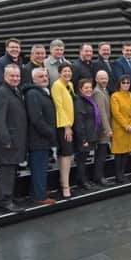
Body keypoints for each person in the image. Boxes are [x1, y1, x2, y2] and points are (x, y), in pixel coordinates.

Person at [0, 64, 27, 213]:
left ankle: (9, 196)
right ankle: (5, 200)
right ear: (5, 76)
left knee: (12, 169)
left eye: (17, 76)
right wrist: (5, 140)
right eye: (12, 76)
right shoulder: (1, 92)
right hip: (8, 141)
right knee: (6, 170)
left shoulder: (16, 90)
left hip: (17, 139)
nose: (15, 78)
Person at [23, 67, 57, 205]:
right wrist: (50, 132)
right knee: (38, 168)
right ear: (33, 79)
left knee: (42, 167)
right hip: (38, 138)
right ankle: (39, 196)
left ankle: (39, 190)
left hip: (44, 138)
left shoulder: (42, 92)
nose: (44, 78)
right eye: (41, 77)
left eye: (45, 76)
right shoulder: (32, 94)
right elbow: (36, 118)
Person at [50, 62, 75, 198]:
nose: (67, 74)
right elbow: (59, 106)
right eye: (65, 71)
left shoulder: (69, 85)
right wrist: (66, 127)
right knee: (66, 155)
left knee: (66, 155)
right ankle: (65, 186)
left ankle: (63, 181)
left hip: (70, 124)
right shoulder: (57, 85)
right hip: (63, 126)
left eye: (69, 71)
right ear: (59, 73)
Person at [73, 78, 102, 189]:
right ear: (80, 89)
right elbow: (79, 121)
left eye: (90, 87)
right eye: (86, 88)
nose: (89, 90)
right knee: (81, 160)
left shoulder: (90, 100)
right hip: (84, 137)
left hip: (91, 134)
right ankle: (83, 182)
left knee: (84, 159)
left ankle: (83, 180)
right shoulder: (79, 102)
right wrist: (83, 139)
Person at [110, 75, 131, 183]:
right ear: (119, 84)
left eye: (127, 83)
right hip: (120, 128)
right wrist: (126, 125)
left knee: (126, 152)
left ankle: (123, 173)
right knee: (119, 153)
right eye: (123, 82)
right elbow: (116, 113)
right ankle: (118, 175)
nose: (126, 84)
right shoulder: (115, 96)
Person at [93, 70, 114, 185]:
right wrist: (108, 129)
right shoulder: (97, 92)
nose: (104, 80)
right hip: (102, 130)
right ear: (96, 79)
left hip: (105, 129)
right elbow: (101, 113)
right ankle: (99, 177)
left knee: (103, 154)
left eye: (105, 78)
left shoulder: (104, 91)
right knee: (100, 155)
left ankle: (100, 176)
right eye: (101, 78)